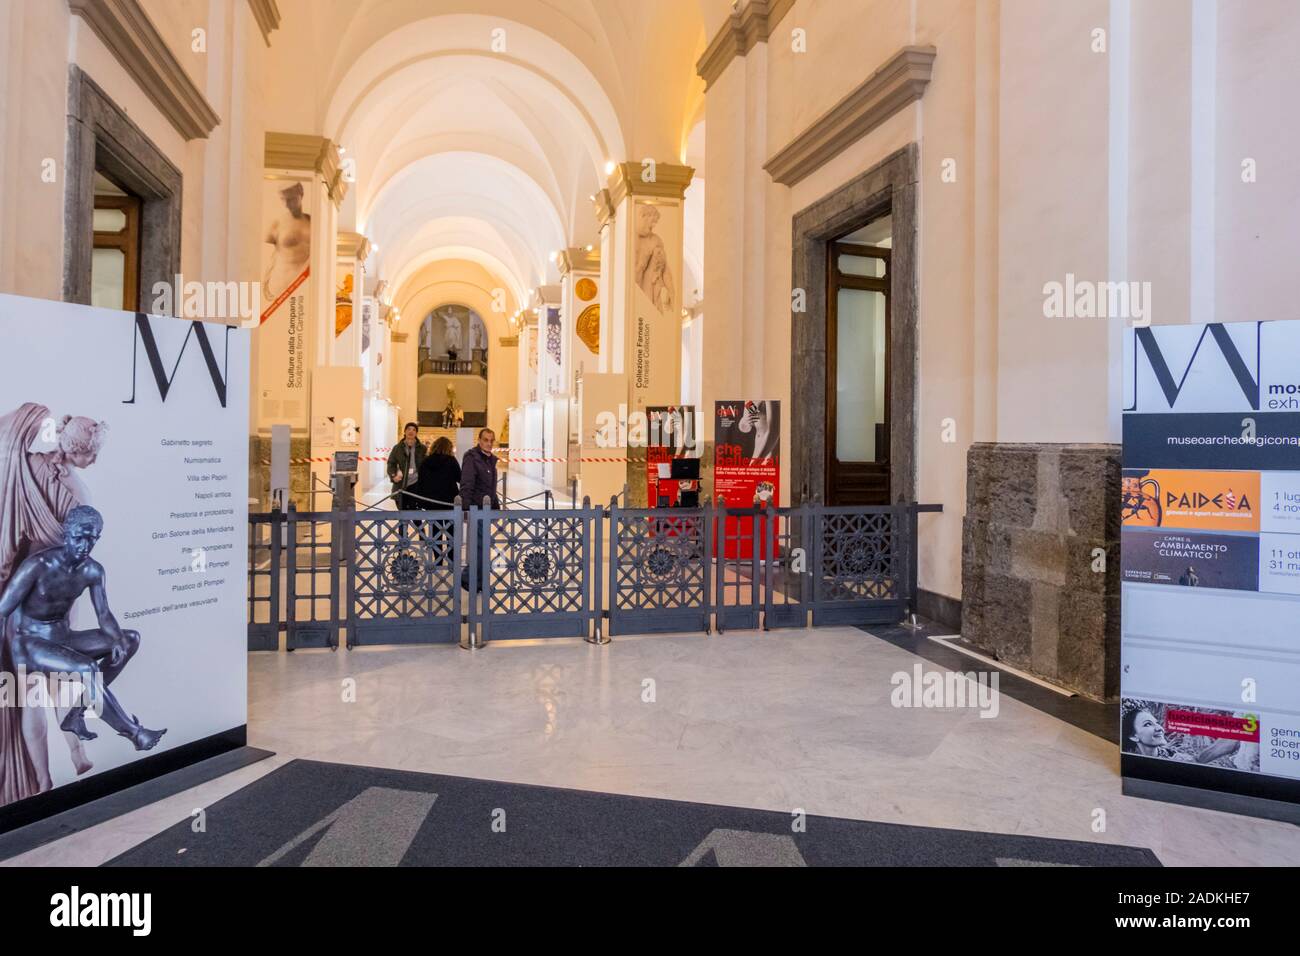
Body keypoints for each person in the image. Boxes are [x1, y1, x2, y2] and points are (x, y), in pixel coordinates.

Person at [0, 405, 107, 800]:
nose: (94, 460)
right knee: (57, 679)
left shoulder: (27, 467)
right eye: (91, 453)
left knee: (30, 691)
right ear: (78, 449)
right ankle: (75, 754)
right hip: (54, 594)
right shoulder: (77, 493)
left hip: (24, 589)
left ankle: (45, 777)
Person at [0, 506, 165, 760]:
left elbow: (104, 614)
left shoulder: (92, 570)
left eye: (92, 539)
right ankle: (135, 733)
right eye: (79, 538)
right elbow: (2, 611)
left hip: (62, 638)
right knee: (87, 668)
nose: (84, 546)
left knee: (130, 640)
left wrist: (116, 639)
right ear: (67, 534)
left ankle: (76, 714)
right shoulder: (38, 565)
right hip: (30, 644)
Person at [460, 429, 500, 592]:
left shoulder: (490, 460)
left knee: (482, 547)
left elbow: (491, 488)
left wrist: (496, 507)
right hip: (476, 509)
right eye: (485, 440)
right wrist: (465, 509)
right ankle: (468, 579)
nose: (489, 443)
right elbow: (467, 484)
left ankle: (478, 581)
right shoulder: (472, 458)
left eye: (491, 440)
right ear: (479, 440)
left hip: (487, 510)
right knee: (479, 547)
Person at [386, 423, 426, 510]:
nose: (411, 431)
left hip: (416, 484)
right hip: (401, 484)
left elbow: (426, 465)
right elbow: (391, 463)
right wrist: (393, 476)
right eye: (408, 429)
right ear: (404, 431)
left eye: (414, 430)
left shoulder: (422, 448)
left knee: (415, 512)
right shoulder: (397, 448)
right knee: (402, 512)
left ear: (416, 433)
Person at [414, 437, 460, 510]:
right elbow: (459, 478)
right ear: (449, 448)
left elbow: (421, 481)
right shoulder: (451, 460)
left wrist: (420, 500)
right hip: (448, 499)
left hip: (429, 500)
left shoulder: (426, 461)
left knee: (432, 517)